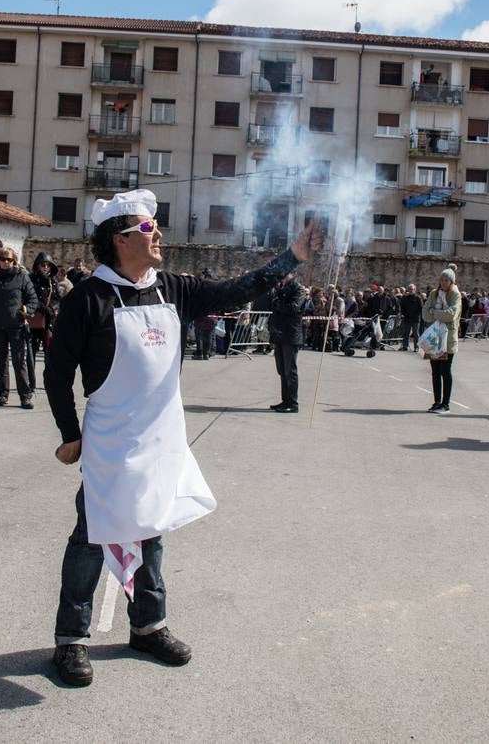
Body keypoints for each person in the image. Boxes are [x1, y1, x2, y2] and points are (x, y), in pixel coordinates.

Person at [44, 189, 322, 687]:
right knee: (92, 538)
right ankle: (71, 639)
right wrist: (69, 433)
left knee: (152, 532)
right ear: (120, 238)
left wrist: (292, 258)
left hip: (161, 440)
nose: (159, 236)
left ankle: (148, 626)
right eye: (150, 228)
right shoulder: (90, 296)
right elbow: (58, 371)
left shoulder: (173, 287)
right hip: (109, 444)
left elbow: (239, 289)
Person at [0, 247, 38, 408]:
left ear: (14, 261)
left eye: (10, 260)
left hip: (17, 326)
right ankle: (2, 394)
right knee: (1, 362)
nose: (6, 262)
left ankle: (25, 396)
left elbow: (33, 299)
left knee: (19, 362)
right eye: (3, 259)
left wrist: (25, 314)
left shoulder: (22, 277)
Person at [422, 263, 462, 414]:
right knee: (435, 371)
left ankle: (446, 404)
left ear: (451, 282)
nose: (444, 283)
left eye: (447, 280)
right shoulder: (433, 294)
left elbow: (451, 314)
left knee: (445, 370)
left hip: (448, 337)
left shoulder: (455, 295)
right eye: (442, 280)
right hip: (434, 336)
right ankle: (437, 402)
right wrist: (436, 311)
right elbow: (425, 314)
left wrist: (434, 311)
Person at [268, 272, 306, 413]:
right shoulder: (281, 288)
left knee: (290, 371)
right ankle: (285, 401)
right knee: (282, 370)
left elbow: (293, 308)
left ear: (293, 274)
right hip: (279, 334)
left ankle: (293, 403)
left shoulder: (298, 289)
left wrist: (278, 303)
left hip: (290, 335)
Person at [29, 252, 60, 359]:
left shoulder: (53, 280)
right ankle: (31, 375)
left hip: (49, 319)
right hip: (35, 317)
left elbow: (57, 298)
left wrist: (53, 308)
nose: (46, 267)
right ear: (38, 265)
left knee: (49, 349)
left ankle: (49, 375)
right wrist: (43, 308)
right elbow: (29, 297)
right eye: (43, 265)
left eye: (48, 265)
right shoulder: (31, 279)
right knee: (32, 348)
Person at [400, 284, 423, 351]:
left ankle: (416, 347)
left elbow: (420, 308)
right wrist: (404, 314)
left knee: (416, 334)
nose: (410, 290)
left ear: (414, 290)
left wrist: (416, 315)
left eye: (412, 289)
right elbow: (402, 307)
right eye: (409, 289)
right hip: (407, 319)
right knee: (406, 333)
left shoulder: (418, 298)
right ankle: (405, 346)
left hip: (415, 319)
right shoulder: (405, 298)